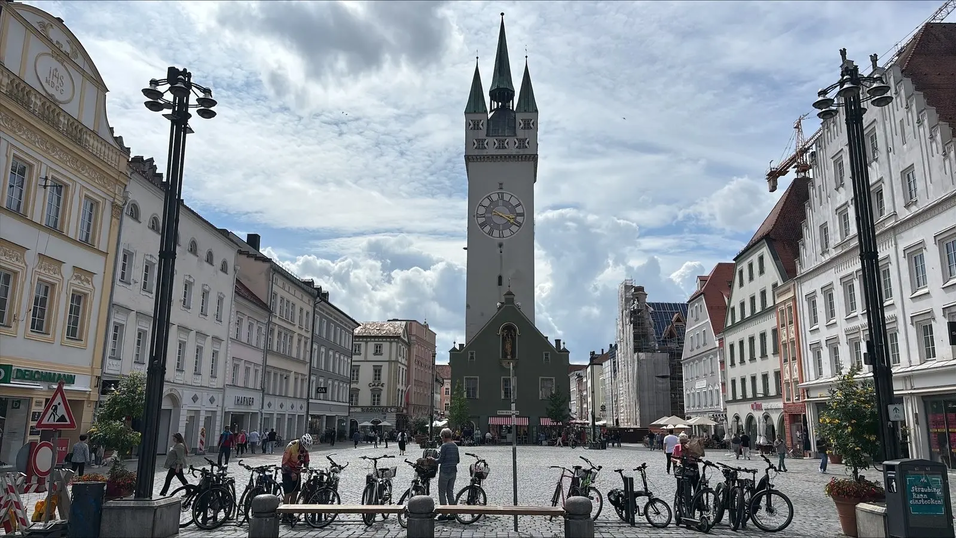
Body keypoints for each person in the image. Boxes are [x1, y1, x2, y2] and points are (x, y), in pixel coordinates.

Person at [280, 434, 312, 523]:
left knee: (295, 493)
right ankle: (284, 515)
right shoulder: (291, 446)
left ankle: (291, 513)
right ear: (301, 444)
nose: (304, 450)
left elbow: (306, 460)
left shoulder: (305, 450)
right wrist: (291, 473)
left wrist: (306, 467)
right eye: (303, 448)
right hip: (287, 472)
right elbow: (284, 463)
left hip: (297, 472)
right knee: (288, 494)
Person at [434, 428, 459, 520]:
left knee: (442, 492)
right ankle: (452, 513)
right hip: (453, 471)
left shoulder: (444, 446)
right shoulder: (455, 446)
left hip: (445, 471)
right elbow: (458, 460)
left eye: (441, 437)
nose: (441, 438)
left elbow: (440, 460)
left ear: (444, 436)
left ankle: (444, 513)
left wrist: (433, 460)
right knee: (450, 492)